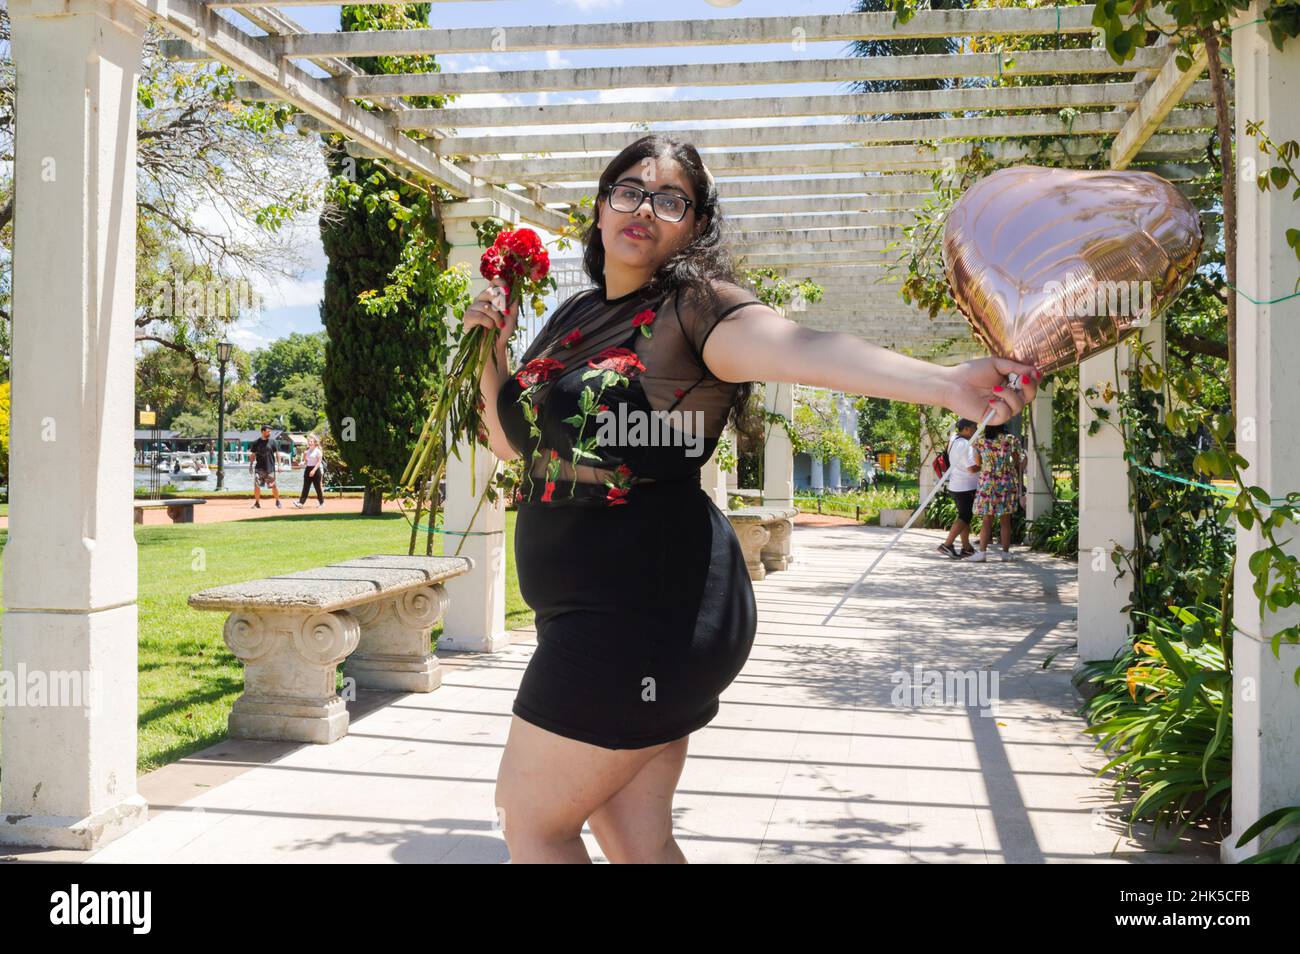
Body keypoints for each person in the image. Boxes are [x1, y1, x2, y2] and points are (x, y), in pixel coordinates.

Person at [472, 134, 1040, 863]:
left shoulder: (694, 312)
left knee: (531, 822)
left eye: (671, 199)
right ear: (600, 205)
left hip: (642, 614)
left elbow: (799, 346)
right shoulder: (570, 317)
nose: (645, 207)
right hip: (592, 615)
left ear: (697, 225)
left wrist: (944, 383)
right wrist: (490, 351)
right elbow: (512, 445)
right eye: (629, 189)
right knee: (635, 837)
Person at [967, 422, 1025, 562]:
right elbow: (1017, 461)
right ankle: (1005, 553)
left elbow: (978, 461)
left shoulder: (980, 440)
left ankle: (982, 553)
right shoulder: (1011, 439)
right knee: (1005, 519)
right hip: (1006, 481)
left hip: (987, 482)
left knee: (987, 519)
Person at [937, 418, 980, 559]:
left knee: (964, 516)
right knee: (965, 516)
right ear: (967, 429)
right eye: (975, 426)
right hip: (965, 485)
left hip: (957, 484)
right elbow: (972, 468)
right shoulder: (964, 444)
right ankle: (947, 544)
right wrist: (985, 466)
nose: (977, 429)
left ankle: (966, 547)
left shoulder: (954, 439)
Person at [249, 425, 281, 509]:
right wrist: (250, 466)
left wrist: (279, 465)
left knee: (273, 486)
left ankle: (277, 501)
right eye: (268, 431)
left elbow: (277, 454)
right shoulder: (256, 442)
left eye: (270, 431)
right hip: (259, 468)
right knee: (256, 485)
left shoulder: (273, 442)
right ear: (262, 432)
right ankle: (257, 503)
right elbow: (253, 455)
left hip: (270, 468)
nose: (269, 433)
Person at [293, 433, 325, 509]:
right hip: (308, 469)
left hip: (316, 470)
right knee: (305, 487)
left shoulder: (318, 451)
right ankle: (301, 503)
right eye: (309, 441)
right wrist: (302, 463)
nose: (309, 443)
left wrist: (313, 471)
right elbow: (306, 462)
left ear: (314, 443)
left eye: (311, 441)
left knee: (318, 488)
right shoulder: (306, 452)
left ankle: (321, 503)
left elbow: (318, 463)